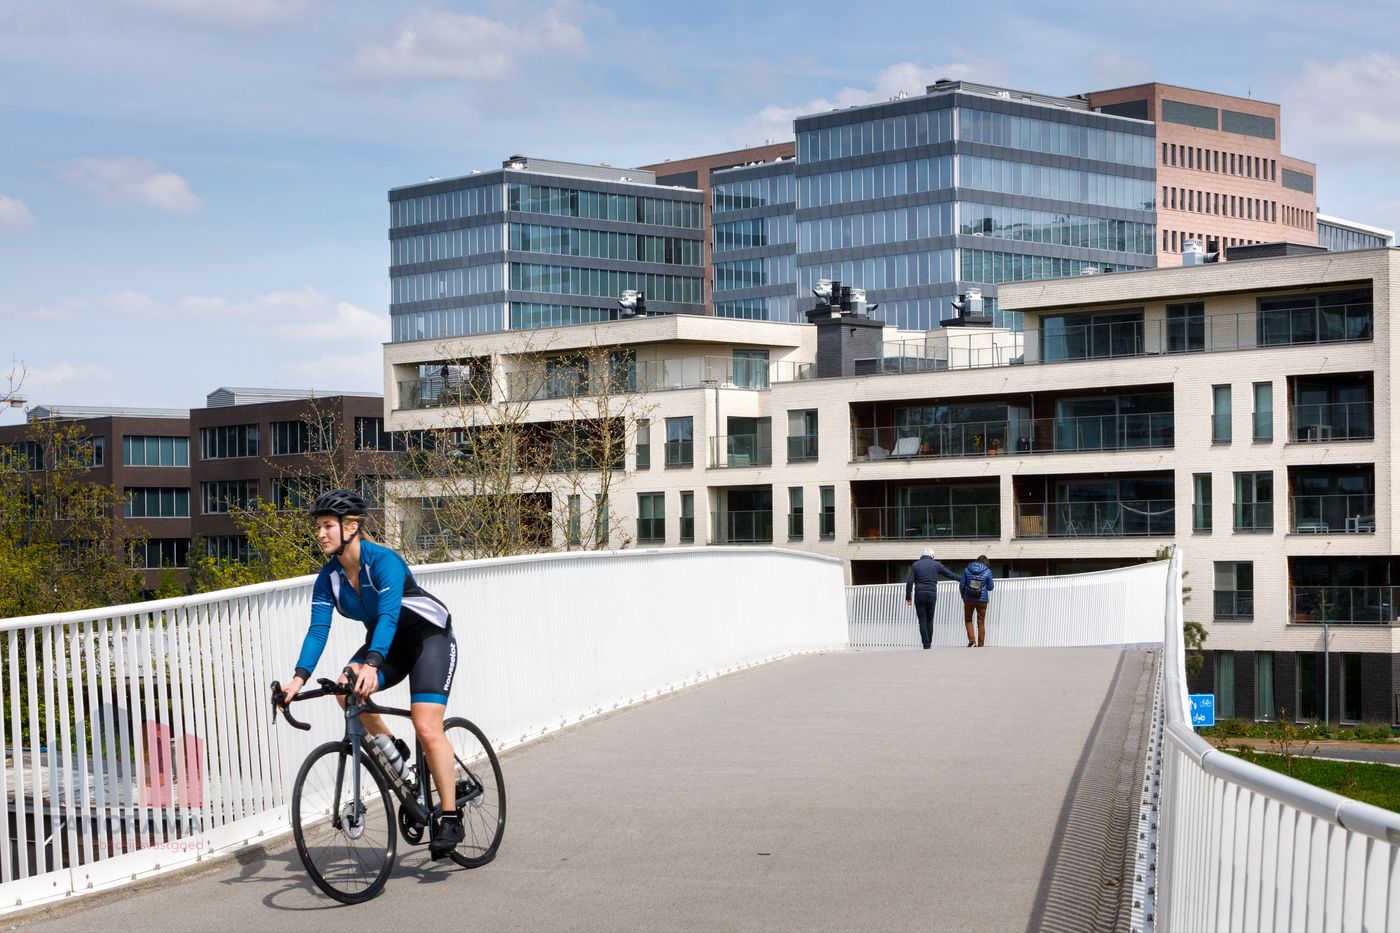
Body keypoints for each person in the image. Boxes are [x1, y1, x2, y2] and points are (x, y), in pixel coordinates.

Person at [275, 489, 465, 859]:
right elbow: (318, 630)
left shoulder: (383, 561)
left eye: (327, 526)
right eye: (318, 527)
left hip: (428, 640)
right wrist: (297, 680)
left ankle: (450, 816)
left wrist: (373, 663)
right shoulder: (329, 577)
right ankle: (394, 750)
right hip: (386, 645)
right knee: (343, 689)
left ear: (351, 527)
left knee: (427, 726)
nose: (320, 533)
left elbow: (390, 616)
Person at [904, 547, 960, 649]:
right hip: (931, 594)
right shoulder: (936, 565)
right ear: (932, 556)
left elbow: (909, 582)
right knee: (930, 620)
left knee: (922, 621)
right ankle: (929, 643)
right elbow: (950, 574)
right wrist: (963, 579)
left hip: (919, 595)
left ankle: (926, 645)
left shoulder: (915, 565)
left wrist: (908, 597)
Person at [961, 555, 995, 647]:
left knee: (968, 620)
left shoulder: (967, 570)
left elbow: (962, 585)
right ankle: (981, 645)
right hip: (982, 599)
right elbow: (990, 587)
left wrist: (963, 596)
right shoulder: (988, 571)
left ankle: (972, 641)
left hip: (968, 598)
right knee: (981, 622)